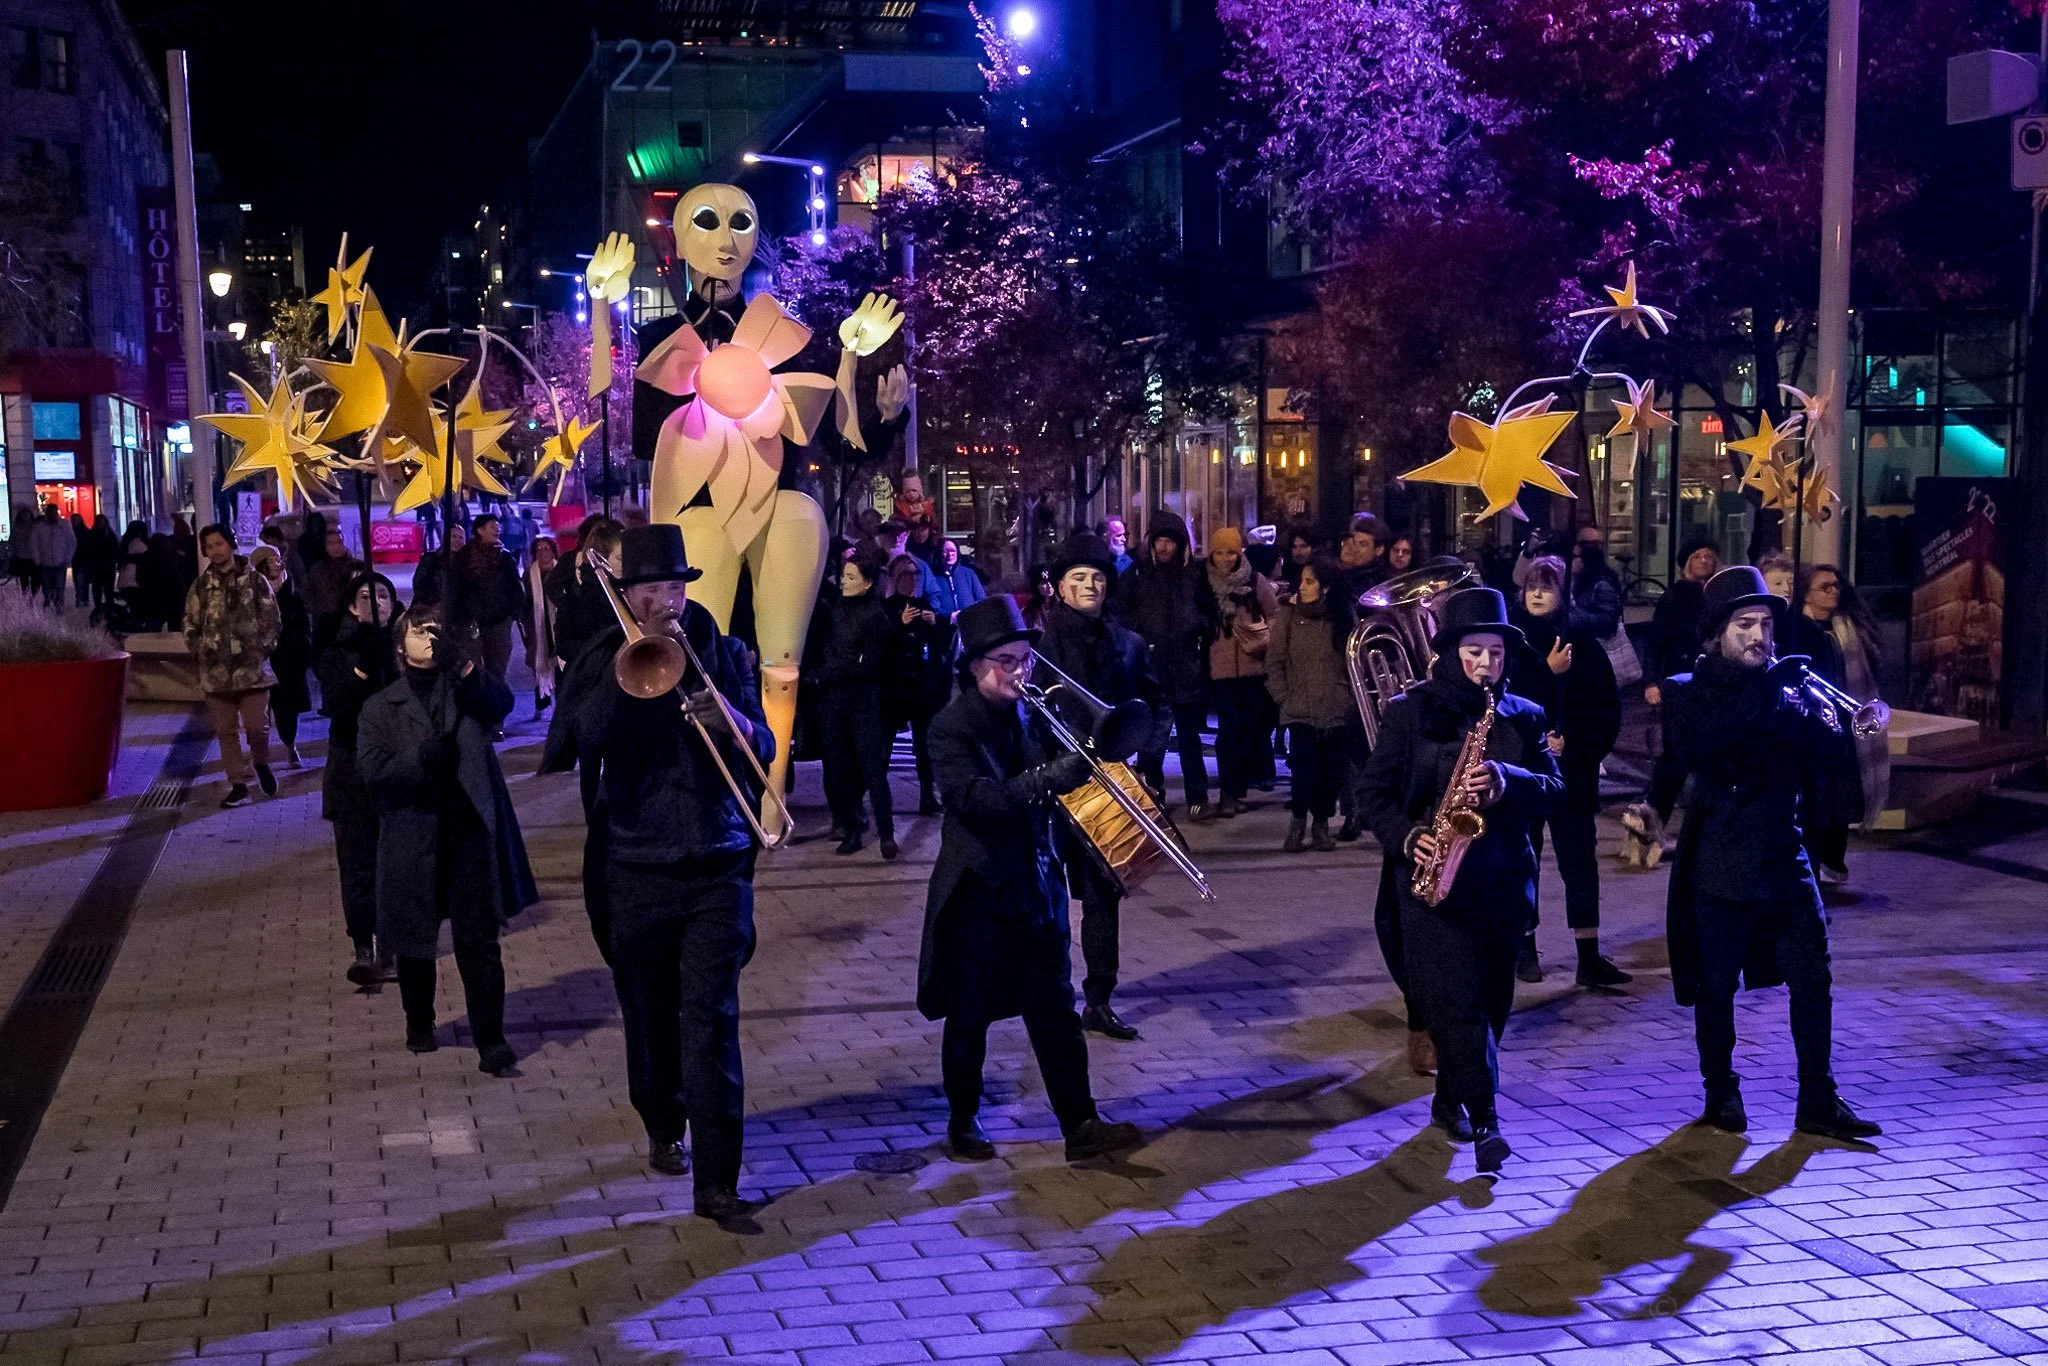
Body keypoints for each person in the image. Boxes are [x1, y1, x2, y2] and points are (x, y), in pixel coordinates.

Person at [559, 523, 774, 1220]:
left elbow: (765, 745)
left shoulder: (722, 647)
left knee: (711, 1019)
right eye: (653, 586)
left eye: (676, 585)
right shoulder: (602, 654)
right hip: (636, 863)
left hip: (717, 861)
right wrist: (630, 670)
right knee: (650, 1015)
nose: (667, 599)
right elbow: (579, 739)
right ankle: (660, 1117)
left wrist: (731, 717)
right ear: (627, 592)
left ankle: (717, 1183)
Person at [1629, 566, 1881, 1142]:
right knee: (1715, 985)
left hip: (1784, 853)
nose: (1759, 636)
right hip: (1720, 856)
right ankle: (1721, 1091)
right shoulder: (1687, 691)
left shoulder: (1786, 687)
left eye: (1765, 624)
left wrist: (1828, 722)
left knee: (1813, 977)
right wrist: (1651, 812)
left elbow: (1824, 765)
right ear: (1718, 633)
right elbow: (1710, 751)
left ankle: (1817, 1097)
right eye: (1745, 624)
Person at [919, 595, 1146, 1165]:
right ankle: (962, 1118)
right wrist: (1050, 777)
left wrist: (1096, 753)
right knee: (970, 1014)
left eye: (1025, 659)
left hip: (1036, 886)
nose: (1021, 672)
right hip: (980, 892)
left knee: (1055, 1010)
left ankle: (1081, 1123)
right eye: (1007, 661)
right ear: (975, 667)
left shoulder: (1031, 713)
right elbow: (975, 801)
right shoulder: (949, 727)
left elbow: (1065, 779)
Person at [1359, 586, 1561, 1173]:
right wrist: (1405, 834)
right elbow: (1370, 793)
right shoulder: (1411, 713)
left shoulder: (1523, 716)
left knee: (1493, 1006)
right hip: (1431, 888)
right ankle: (1488, 1123)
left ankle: (1452, 1100)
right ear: (1451, 654)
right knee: (1459, 1004)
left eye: (1495, 654)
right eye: (1474, 652)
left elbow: (1557, 792)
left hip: (1501, 885)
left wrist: (1509, 779)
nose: (1485, 665)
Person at [357, 598, 534, 1076]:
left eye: (434, 629)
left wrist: (467, 666)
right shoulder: (380, 706)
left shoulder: (465, 689)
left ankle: (490, 1039)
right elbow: (372, 770)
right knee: (415, 937)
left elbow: (500, 703)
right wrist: (418, 760)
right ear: (400, 646)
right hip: (413, 833)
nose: (426, 637)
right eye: (417, 630)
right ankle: (420, 1020)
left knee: (478, 940)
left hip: (468, 834)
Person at [1037, 530, 1164, 1042]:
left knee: (1102, 896)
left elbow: (1156, 704)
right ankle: (1049, 991)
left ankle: (1099, 997)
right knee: (1047, 899)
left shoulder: (1129, 646)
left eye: (1097, 578)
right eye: (1078, 579)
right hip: (1054, 787)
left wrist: (1146, 756)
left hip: (1111, 783)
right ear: (1060, 588)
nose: (1090, 586)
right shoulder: (1040, 649)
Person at [1506, 556, 1629, 988]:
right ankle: (1524, 947)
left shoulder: (1584, 644)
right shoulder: (1512, 644)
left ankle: (1588, 956)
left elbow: (1605, 710)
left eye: (1548, 586)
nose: (1538, 593)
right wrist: (1546, 672)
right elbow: (1504, 705)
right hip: (1524, 771)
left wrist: (1572, 742)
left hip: (1570, 775)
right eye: (1532, 586)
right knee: (1524, 859)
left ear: (1563, 594)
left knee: (1579, 863)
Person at [319, 571, 402, 987]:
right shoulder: (339, 650)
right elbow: (335, 704)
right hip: (351, 769)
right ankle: (362, 947)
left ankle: (393, 943)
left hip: (398, 770)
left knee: (395, 862)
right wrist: (364, 670)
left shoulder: (407, 646)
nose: (377, 603)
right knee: (357, 864)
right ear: (352, 606)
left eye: (384, 596)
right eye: (367, 596)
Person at [1115, 511, 1215, 818]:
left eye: (1170, 541)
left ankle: (1197, 796)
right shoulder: (1136, 575)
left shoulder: (1194, 575)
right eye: (1159, 540)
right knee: (1151, 739)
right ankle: (1152, 793)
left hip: (1185, 666)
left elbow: (1209, 612)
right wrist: (1140, 634)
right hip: (1151, 667)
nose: (1164, 547)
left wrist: (1196, 625)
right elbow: (1119, 611)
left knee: (1188, 737)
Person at [184, 524, 281, 808]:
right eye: (210, 546)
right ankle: (238, 784)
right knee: (225, 732)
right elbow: (190, 624)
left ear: (231, 543)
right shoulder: (201, 587)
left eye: (220, 543)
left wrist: (262, 648)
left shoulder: (254, 580)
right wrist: (201, 650)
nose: (215, 550)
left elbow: (272, 618)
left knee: (257, 726)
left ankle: (261, 763)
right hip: (216, 675)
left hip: (253, 671)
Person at [1786, 564, 1871, 887]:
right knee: (1814, 800)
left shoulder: (1846, 627)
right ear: (1806, 593)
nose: (1834, 591)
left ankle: (1833, 861)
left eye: (1836, 586)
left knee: (1840, 798)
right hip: (1809, 729)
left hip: (1841, 726)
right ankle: (1811, 867)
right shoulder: (1795, 628)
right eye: (1825, 587)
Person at [1267, 557, 1355, 852]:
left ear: (1326, 587)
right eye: (1302, 581)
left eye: (1310, 581)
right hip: (1300, 708)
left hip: (1335, 707)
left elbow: (1354, 663)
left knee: (1330, 772)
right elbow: (1275, 659)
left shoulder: (1342, 616)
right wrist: (1283, 697)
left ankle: (1321, 825)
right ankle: (1297, 824)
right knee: (1303, 770)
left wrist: (1348, 699)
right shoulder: (1289, 614)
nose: (1302, 587)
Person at [817, 549, 897, 858]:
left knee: (872, 767)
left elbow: (867, 663)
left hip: (862, 699)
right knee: (839, 768)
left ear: (867, 583)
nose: (843, 582)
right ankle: (850, 829)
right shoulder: (834, 608)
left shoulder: (875, 615)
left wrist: (828, 673)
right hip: (833, 700)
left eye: (851, 577)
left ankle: (886, 832)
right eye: (843, 576)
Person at [1201, 526, 1278, 819]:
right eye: (1219, 552)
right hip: (1219, 671)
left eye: (1230, 552)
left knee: (1249, 729)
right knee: (1228, 731)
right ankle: (1228, 794)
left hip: (1252, 667)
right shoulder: (1204, 583)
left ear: (1240, 553)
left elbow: (1274, 616)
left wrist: (1262, 639)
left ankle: (1239, 789)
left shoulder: (1255, 580)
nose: (1224, 558)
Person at [882, 553, 951, 816]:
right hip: (896, 686)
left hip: (922, 686)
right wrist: (900, 625)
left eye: (915, 574)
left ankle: (926, 795)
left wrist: (935, 626)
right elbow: (881, 644)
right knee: (884, 747)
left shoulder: (924, 606)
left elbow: (940, 646)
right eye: (906, 575)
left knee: (924, 743)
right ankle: (878, 799)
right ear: (895, 578)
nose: (912, 579)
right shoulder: (886, 608)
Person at [249, 546, 313, 767]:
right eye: (271, 560)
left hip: (289, 658)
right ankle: (260, 756)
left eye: (278, 559)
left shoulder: (292, 590)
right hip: (262, 658)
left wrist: (305, 651)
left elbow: (304, 624)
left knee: (288, 708)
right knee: (258, 712)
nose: (277, 563)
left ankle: (290, 746)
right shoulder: (253, 592)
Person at [1644, 537, 1720, 706]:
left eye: (1708, 556)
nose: (1703, 560)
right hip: (1680, 671)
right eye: (1697, 556)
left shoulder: (1718, 593)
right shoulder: (1674, 595)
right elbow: (1656, 640)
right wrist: (1651, 682)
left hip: (1713, 674)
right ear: (1687, 562)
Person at [548, 516, 626, 670]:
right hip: (591, 679)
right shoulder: (575, 600)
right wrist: (607, 653)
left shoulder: (630, 591)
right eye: (620, 558)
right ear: (601, 559)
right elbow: (564, 646)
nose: (626, 564)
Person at [456, 514, 525, 688]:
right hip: (472, 621)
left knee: (498, 669)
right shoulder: (464, 556)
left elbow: (516, 587)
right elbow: (456, 588)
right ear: (480, 530)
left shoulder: (504, 556)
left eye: (498, 526)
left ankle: (497, 706)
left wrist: (511, 614)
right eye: (492, 526)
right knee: (472, 668)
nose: (497, 529)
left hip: (499, 621)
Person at [303, 527, 366, 655]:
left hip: (353, 623)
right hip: (325, 625)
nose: (337, 547)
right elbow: (307, 595)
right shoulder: (316, 570)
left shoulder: (357, 566)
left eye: (339, 542)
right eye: (331, 543)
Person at [522, 537, 561, 715]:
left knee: (560, 663)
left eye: (547, 547)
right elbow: (526, 601)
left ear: (553, 550)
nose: (543, 551)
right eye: (539, 548)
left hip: (559, 623)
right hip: (537, 624)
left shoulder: (561, 569)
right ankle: (542, 701)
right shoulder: (530, 574)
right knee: (540, 661)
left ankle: (560, 702)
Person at [1566, 525, 1622, 641]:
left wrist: (1569, 616)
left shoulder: (1602, 584)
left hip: (1595, 650)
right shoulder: (1575, 579)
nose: (1571, 560)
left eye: (1575, 557)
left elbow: (1606, 622)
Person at [928, 535, 987, 621]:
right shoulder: (932, 577)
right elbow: (933, 606)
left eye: (953, 551)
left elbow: (981, 598)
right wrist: (950, 616)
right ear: (939, 553)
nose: (950, 554)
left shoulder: (968, 573)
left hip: (969, 624)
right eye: (945, 551)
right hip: (945, 627)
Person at [29, 504, 76, 609]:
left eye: (54, 512)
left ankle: (58, 607)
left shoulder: (64, 525)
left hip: (59, 562)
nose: (52, 515)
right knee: (47, 587)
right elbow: (34, 544)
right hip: (45, 562)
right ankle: (48, 605)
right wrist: (37, 560)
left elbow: (71, 542)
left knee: (59, 588)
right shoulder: (39, 527)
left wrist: (67, 558)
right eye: (50, 512)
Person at [410, 523, 466, 608]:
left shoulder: (466, 562)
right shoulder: (430, 560)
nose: (457, 540)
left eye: (461, 537)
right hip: (430, 611)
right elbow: (419, 587)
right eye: (454, 536)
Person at [1338, 514, 1391, 600]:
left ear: (1379, 550)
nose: (1355, 549)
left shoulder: (1380, 586)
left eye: (1363, 544)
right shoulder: (1342, 574)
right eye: (1354, 542)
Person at [83, 515, 118, 611]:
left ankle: (109, 608)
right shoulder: (93, 534)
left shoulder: (109, 535)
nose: (100, 523)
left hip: (107, 566)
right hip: (97, 566)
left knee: (108, 589)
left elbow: (115, 549)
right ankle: (100, 608)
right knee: (98, 589)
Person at [6, 503, 35, 594]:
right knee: (24, 578)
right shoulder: (17, 527)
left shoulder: (34, 526)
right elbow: (12, 540)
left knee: (34, 578)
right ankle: (25, 593)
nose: (25, 516)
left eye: (27, 514)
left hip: (33, 556)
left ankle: (32, 593)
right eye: (24, 514)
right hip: (21, 556)